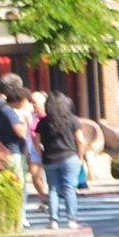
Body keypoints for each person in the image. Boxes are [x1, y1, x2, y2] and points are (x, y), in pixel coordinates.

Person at [37, 94, 83, 229]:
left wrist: (41, 157)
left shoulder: (43, 122)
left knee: (53, 190)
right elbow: (80, 140)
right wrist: (80, 157)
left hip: (50, 159)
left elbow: (36, 143)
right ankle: (72, 220)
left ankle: (53, 221)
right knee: (69, 189)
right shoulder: (73, 120)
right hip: (69, 157)